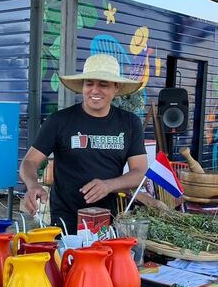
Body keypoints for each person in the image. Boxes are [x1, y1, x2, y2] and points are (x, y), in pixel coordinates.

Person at [20, 53, 148, 233]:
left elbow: (140, 172)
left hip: (109, 221)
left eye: (103, 84)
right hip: (65, 222)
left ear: (116, 88)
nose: (95, 90)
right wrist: (33, 185)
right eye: (89, 83)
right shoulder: (59, 121)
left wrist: (108, 185)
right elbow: (29, 161)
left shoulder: (129, 123)